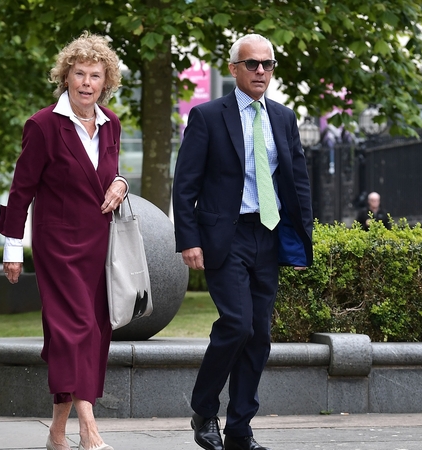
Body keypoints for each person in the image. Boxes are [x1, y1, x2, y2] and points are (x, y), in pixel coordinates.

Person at [172, 34, 313, 450]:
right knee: (237, 324)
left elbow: (298, 183)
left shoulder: (284, 119)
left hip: (267, 235)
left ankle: (239, 430)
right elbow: (185, 185)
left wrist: (302, 239)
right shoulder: (207, 116)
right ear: (233, 69)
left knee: (260, 335)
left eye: (268, 65)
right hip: (224, 236)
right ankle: (203, 410)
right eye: (252, 64)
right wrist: (188, 239)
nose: (261, 72)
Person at [0, 32, 126, 450]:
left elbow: (109, 173)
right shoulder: (43, 125)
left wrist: (120, 182)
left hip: (100, 245)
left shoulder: (111, 124)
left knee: (90, 331)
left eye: (95, 76)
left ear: (107, 82)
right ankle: (90, 429)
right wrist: (12, 250)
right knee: (76, 329)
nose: (87, 82)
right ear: (65, 77)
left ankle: (56, 432)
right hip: (58, 245)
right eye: (79, 74)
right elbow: (21, 192)